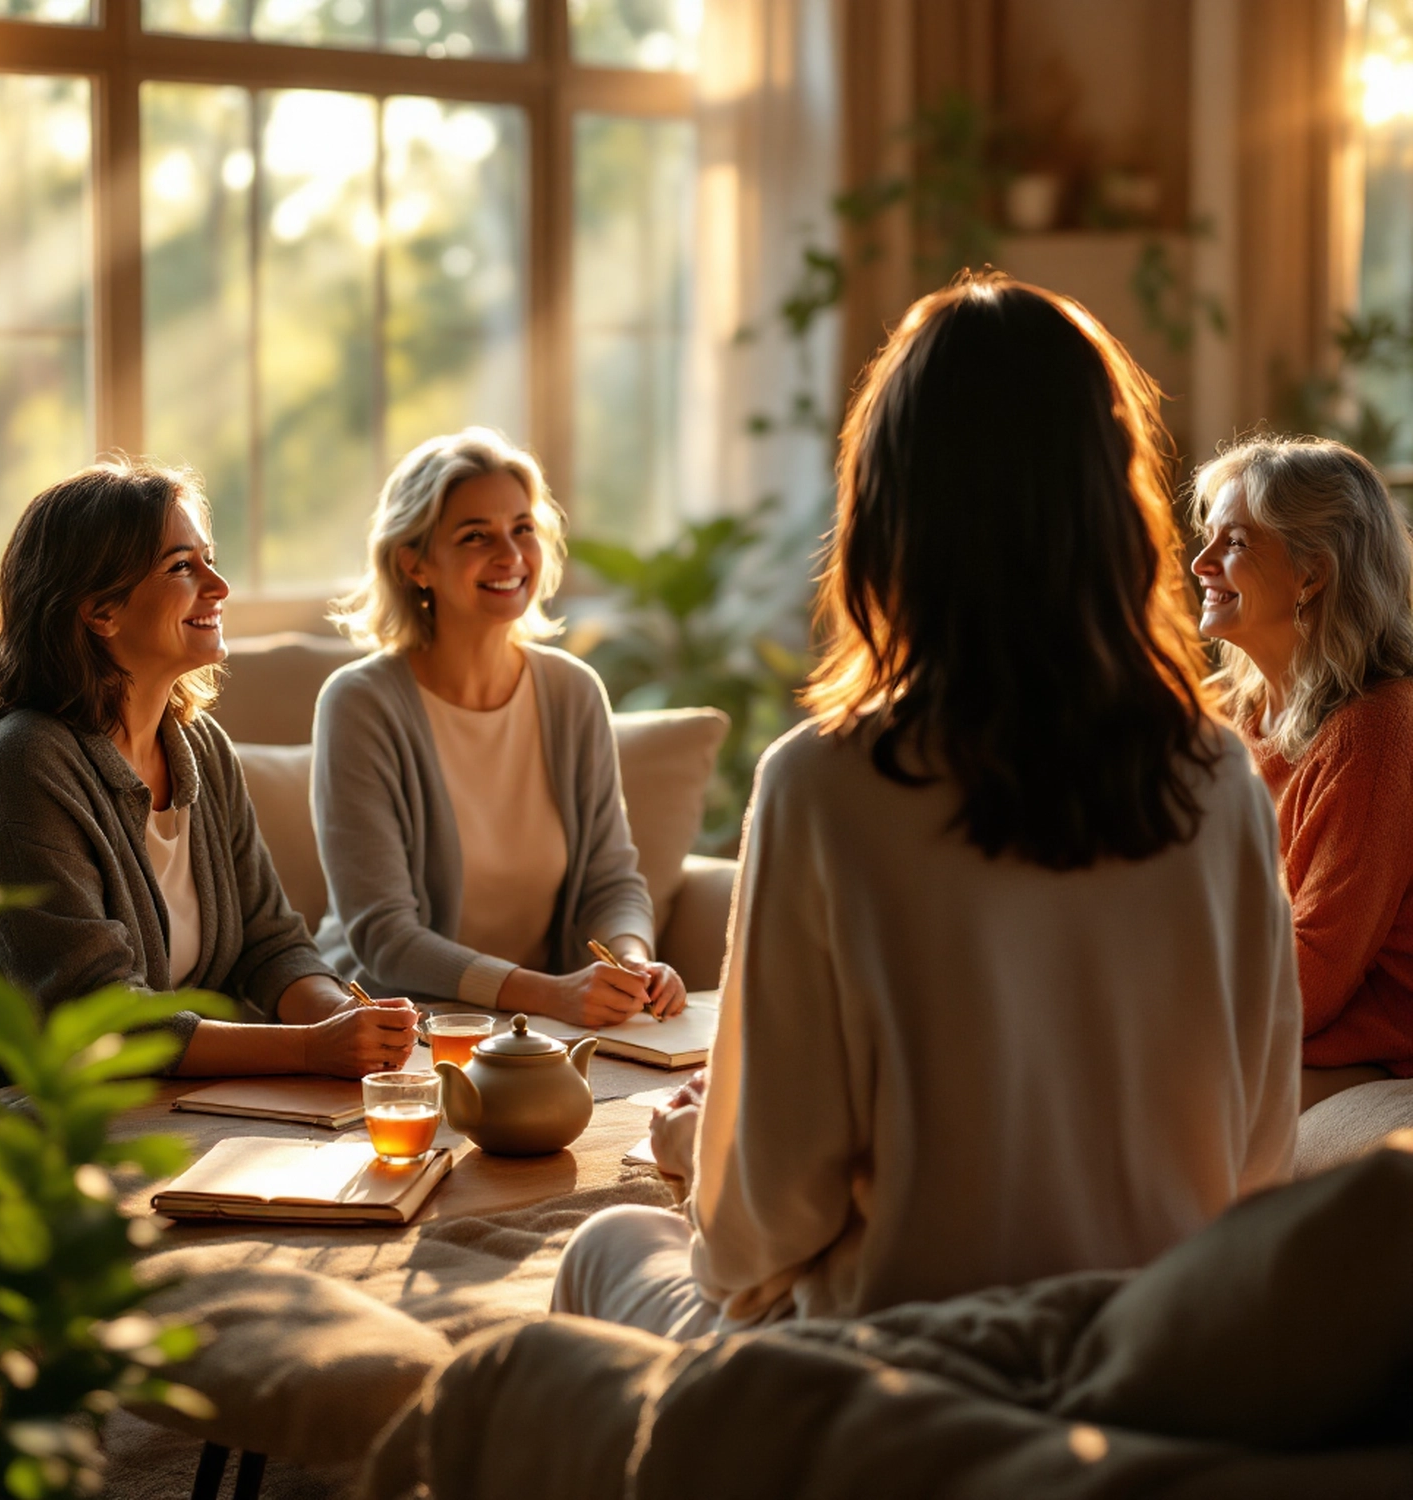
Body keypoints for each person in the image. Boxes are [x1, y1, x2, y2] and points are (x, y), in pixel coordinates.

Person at [552, 274, 1301, 1338]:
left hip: (902, 1373)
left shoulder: (824, 782)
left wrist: (692, 1158)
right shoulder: (1219, 779)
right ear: (1110, 497)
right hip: (1143, 1360)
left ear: (891, 507)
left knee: (608, 1246)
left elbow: (765, 1225)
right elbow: (1261, 1150)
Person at [0, 460, 416, 1133]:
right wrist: (306, 1048)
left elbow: (269, 943)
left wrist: (339, 1020)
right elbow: (96, 1017)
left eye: (209, 559)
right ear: (99, 610)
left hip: (154, 1094)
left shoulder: (201, 746)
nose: (219, 585)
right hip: (1, 1114)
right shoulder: (26, 762)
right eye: (183, 567)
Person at [313, 427, 683, 1027]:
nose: (510, 556)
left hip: (540, 1028)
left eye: (522, 528)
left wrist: (631, 964)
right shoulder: (361, 703)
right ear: (414, 563)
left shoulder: (573, 691)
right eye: (475, 536)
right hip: (393, 1025)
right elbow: (384, 936)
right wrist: (551, 995)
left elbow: (611, 883)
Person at [1191, 436, 1413, 1109]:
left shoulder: (1374, 729)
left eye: (1233, 543)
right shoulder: (1233, 713)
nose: (1201, 564)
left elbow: (1310, 980)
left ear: (1311, 575)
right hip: (1274, 1020)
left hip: (1363, 1047)